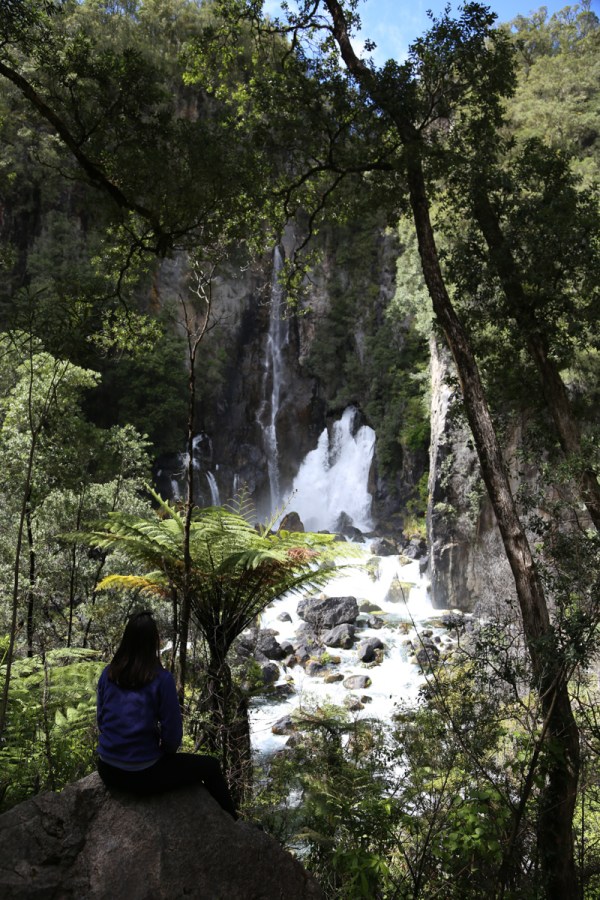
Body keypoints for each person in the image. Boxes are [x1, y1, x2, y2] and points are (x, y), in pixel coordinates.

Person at [96, 610, 237, 819]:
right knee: (211, 766)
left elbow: (101, 720)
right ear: (154, 642)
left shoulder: (108, 674)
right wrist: (165, 753)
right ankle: (233, 824)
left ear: (126, 640)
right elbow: (172, 735)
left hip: (107, 770)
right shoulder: (161, 679)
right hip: (143, 775)